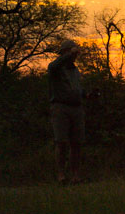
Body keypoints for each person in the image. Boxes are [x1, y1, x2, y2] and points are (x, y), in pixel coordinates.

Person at [47, 38, 86, 185]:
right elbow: (54, 65)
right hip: (60, 107)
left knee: (77, 143)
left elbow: (77, 89)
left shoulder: (75, 71)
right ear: (64, 52)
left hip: (77, 108)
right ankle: (61, 174)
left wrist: (86, 95)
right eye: (72, 51)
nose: (75, 55)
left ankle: (76, 175)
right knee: (61, 142)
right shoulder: (55, 67)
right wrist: (68, 55)